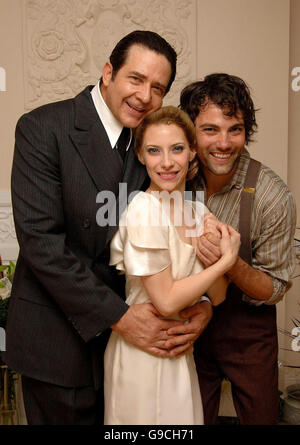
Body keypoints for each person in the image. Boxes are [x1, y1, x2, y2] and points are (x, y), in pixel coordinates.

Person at [3, 30, 209, 425]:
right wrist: (120, 317)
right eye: (135, 79)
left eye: (158, 88)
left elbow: (183, 231)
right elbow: (42, 244)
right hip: (59, 341)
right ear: (108, 71)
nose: (145, 96)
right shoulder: (43, 127)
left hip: (136, 351)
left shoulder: (157, 142)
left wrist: (201, 310)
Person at [104, 106, 241, 425]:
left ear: (192, 150)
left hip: (180, 353)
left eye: (177, 149)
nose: (166, 162)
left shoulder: (197, 212)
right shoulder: (142, 210)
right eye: (154, 151)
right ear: (140, 155)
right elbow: (165, 301)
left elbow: (217, 296)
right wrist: (226, 262)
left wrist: (217, 263)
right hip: (142, 354)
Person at [180, 73, 297, 425]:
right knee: (186, 420)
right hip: (189, 329)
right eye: (210, 129)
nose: (224, 142)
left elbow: (275, 288)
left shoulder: (272, 196)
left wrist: (229, 263)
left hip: (248, 334)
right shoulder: (175, 178)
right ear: (191, 131)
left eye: (235, 129)